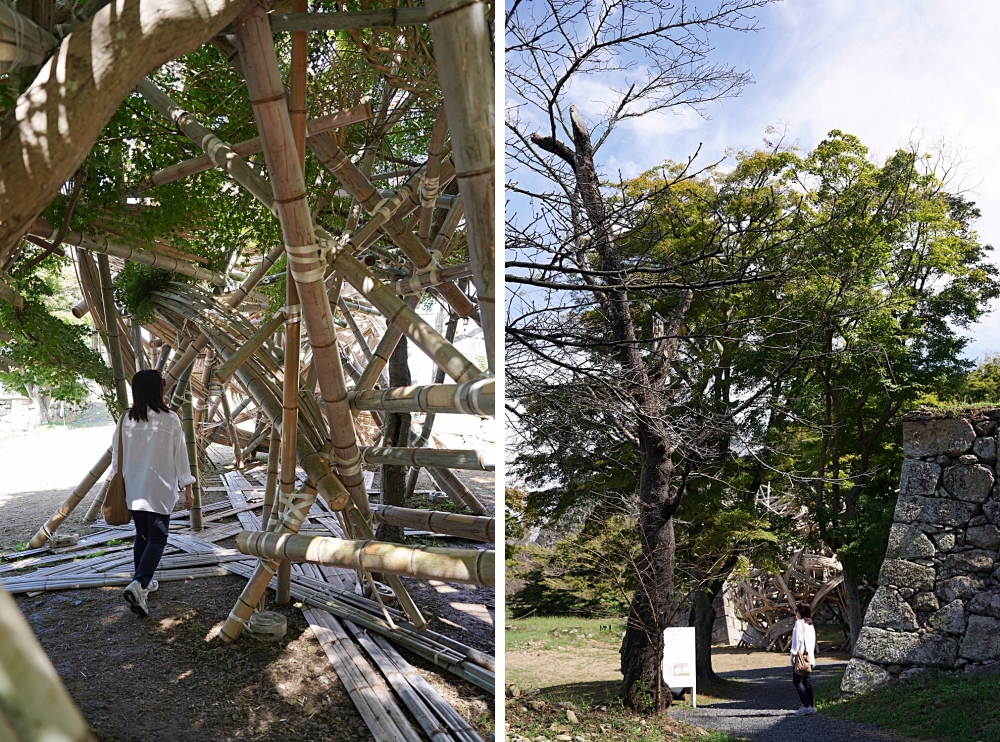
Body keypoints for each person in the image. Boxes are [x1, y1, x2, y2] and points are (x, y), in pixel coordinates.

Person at [109, 369, 195, 616]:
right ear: (158, 389)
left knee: (143, 536)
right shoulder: (169, 419)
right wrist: (187, 486)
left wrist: (119, 484)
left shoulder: (125, 418)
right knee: (157, 539)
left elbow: (116, 456)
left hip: (133, 488)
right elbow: (181, 456)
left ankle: (142, 586)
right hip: (158, 490)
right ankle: (140, 583)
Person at [790, 601, 818, 715]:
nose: (795, 612)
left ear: (800, 612)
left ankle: (806, 705)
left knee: (797, 681)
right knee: (807, 681)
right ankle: (811, 705)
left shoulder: (799, 624)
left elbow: (797, 641)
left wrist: (793, 654)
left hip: (801, 657)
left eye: (797, 610)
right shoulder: (810, 624)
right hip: (809, 657)